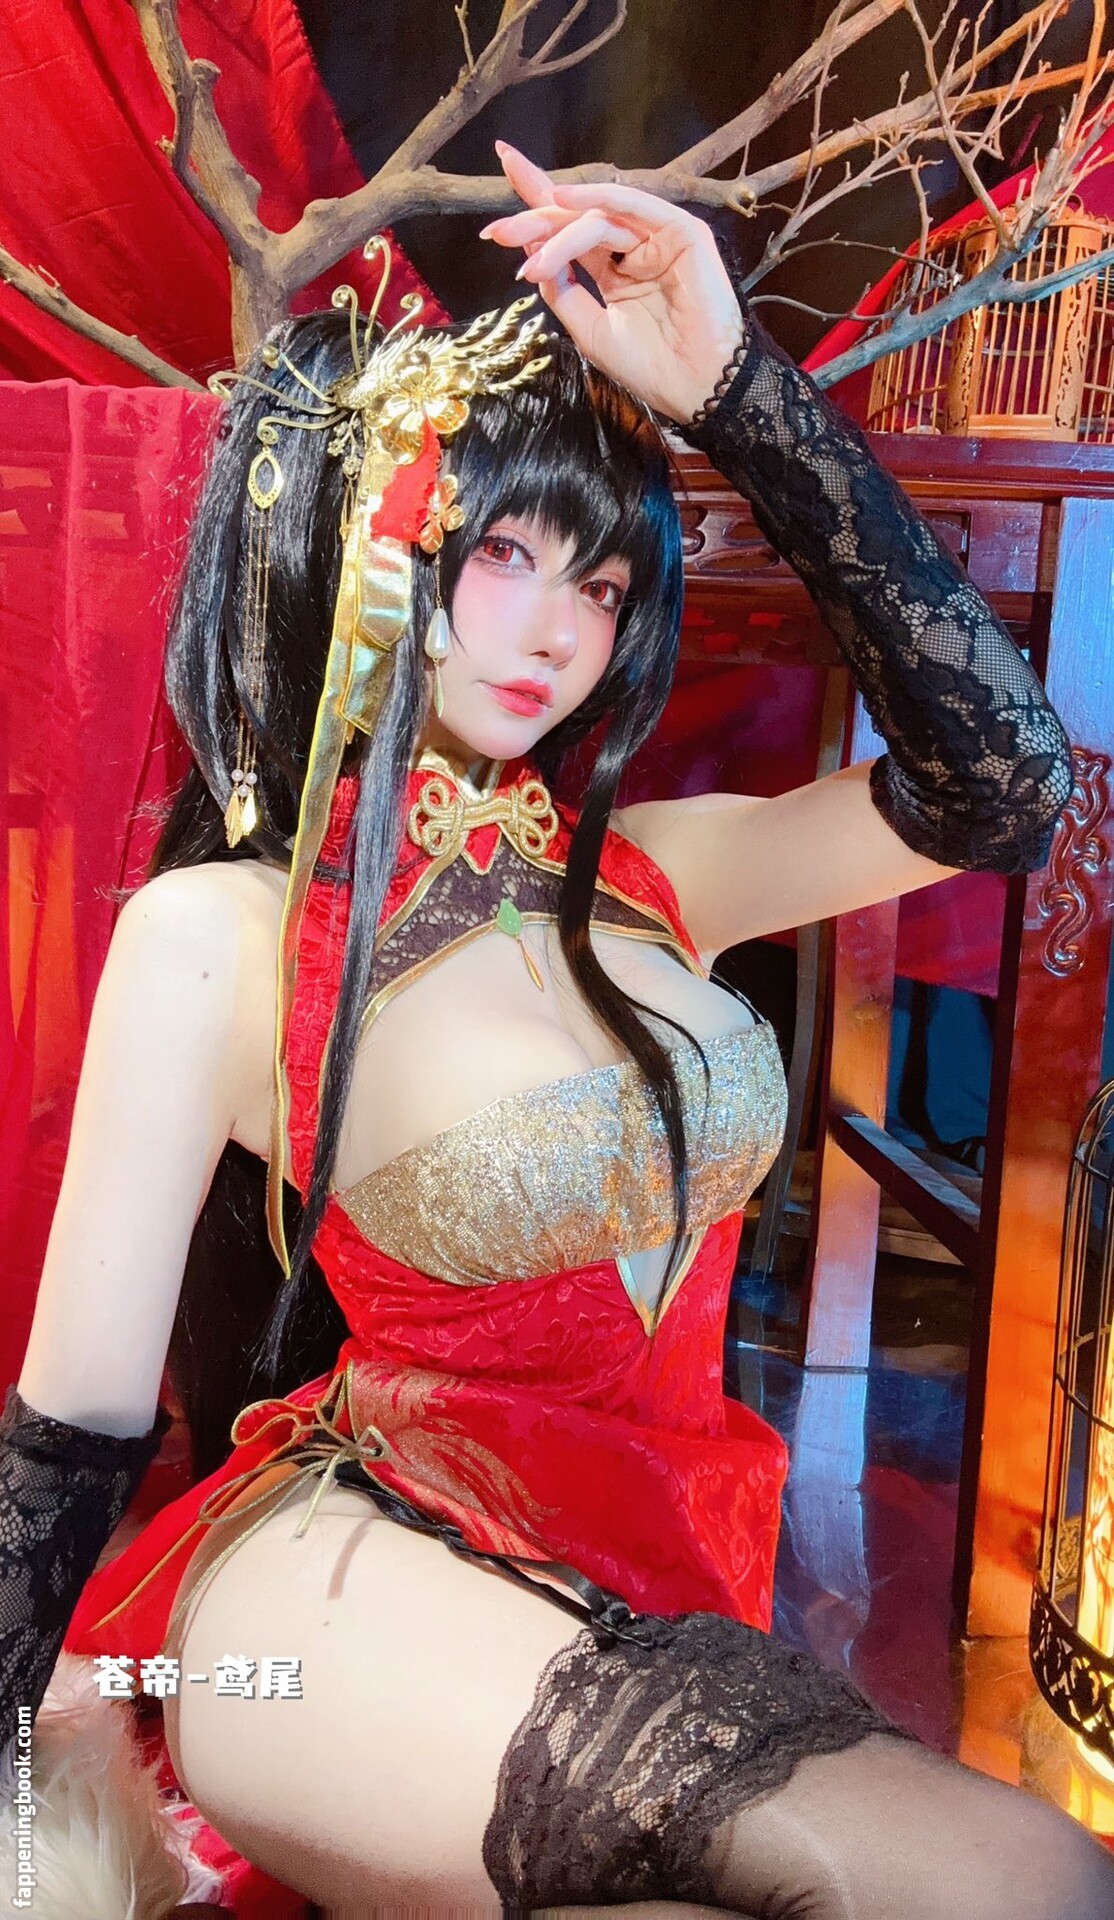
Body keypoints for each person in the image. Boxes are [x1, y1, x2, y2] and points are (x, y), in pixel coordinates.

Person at [1, 140, 1110, 1919]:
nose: (554, 632)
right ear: (369, 554)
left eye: (599, 585)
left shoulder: (660, 875)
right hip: (317, 1594)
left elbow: (1004, 784)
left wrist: (735, 387)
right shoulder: (227, 932)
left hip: (648, 1563)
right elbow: (72, 1426)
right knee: (1017, 1875)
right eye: (500, 553)